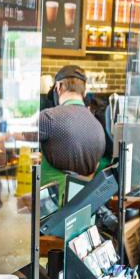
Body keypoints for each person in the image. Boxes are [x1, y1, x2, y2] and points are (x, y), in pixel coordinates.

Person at [39, 65, 105, 206]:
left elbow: (22, 135)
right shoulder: (97, 125)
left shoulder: (49, 118)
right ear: (84, 91)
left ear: (59, 86)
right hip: (83, 205)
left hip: (53, 207)